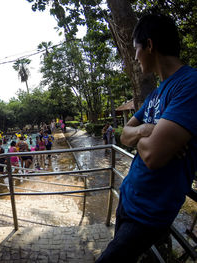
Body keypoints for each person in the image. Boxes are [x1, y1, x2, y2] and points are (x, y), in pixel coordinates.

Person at [96, 14, 197, 262]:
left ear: (149, 45)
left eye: (136, 49)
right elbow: (124, 134)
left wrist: (140, 136)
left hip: (149, 213)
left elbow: (152, 155)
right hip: (129, 197)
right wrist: (147, 129)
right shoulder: (155, 94)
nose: (135, 56)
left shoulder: (190, 85)